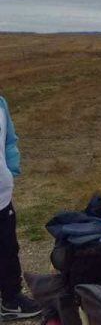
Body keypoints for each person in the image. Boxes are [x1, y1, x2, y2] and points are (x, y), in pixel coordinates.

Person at [0, 96, 41, 320]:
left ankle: (12, 300)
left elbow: (8, 140)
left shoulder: (1, 104)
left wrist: (10, 171)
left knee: (7, 249)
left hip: (2, 196)